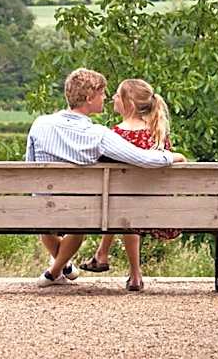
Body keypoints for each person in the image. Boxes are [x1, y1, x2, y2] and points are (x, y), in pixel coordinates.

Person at [25, 69, 186, 288]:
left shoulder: (40, 124)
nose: (107, 98)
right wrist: (173, 156)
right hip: (79, 213)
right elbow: (144, 159)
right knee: (78, 221)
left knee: (50, 220)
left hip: (41, 207)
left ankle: (59, 268)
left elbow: (29, 166)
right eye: (102, 94)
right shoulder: (98, 135)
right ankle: (57, 270)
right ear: (89, 98)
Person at [78, 78, 180, 292]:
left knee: (121, 201)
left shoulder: (115, 134)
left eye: (116, 95)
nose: (112, 98)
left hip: (122, 208)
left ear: (128, 104)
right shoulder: (158, 134)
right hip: (157, 206)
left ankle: (125, 268)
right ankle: (115, 263)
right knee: (126, 199)